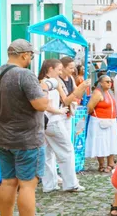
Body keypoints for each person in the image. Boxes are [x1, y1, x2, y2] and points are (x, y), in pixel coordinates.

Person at [0, 40, 49, 216]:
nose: (31, 58)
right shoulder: (25, 75)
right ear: (24, 55)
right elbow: (41, 104)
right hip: (28, 140)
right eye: (31, 55)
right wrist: (45, 92)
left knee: (7, 182)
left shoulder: (0, 72)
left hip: (4, 138)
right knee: (27, 185)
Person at [39, 59, 87, 193]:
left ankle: (49, 185)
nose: (60, 72)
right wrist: (58, 111)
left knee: (48, 153)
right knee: (66, 150)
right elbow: (45, 104)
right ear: (50, 69)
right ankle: (70, 183)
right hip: (53, 121)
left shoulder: (53, 82)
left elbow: (65, 99)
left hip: (47, 122)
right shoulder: (44, 83)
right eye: (59, 69)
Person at [85, 75, 117, 172]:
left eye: (110, 81)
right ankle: (101, 165)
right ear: (100, 83)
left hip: (111, 121)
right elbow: (90, 107)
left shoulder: (109, 93)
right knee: (100, 143)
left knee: (111, 142)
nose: (109, 83)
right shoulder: (97, 93)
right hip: (99, 121)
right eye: (107, 81)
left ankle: (111, 163)